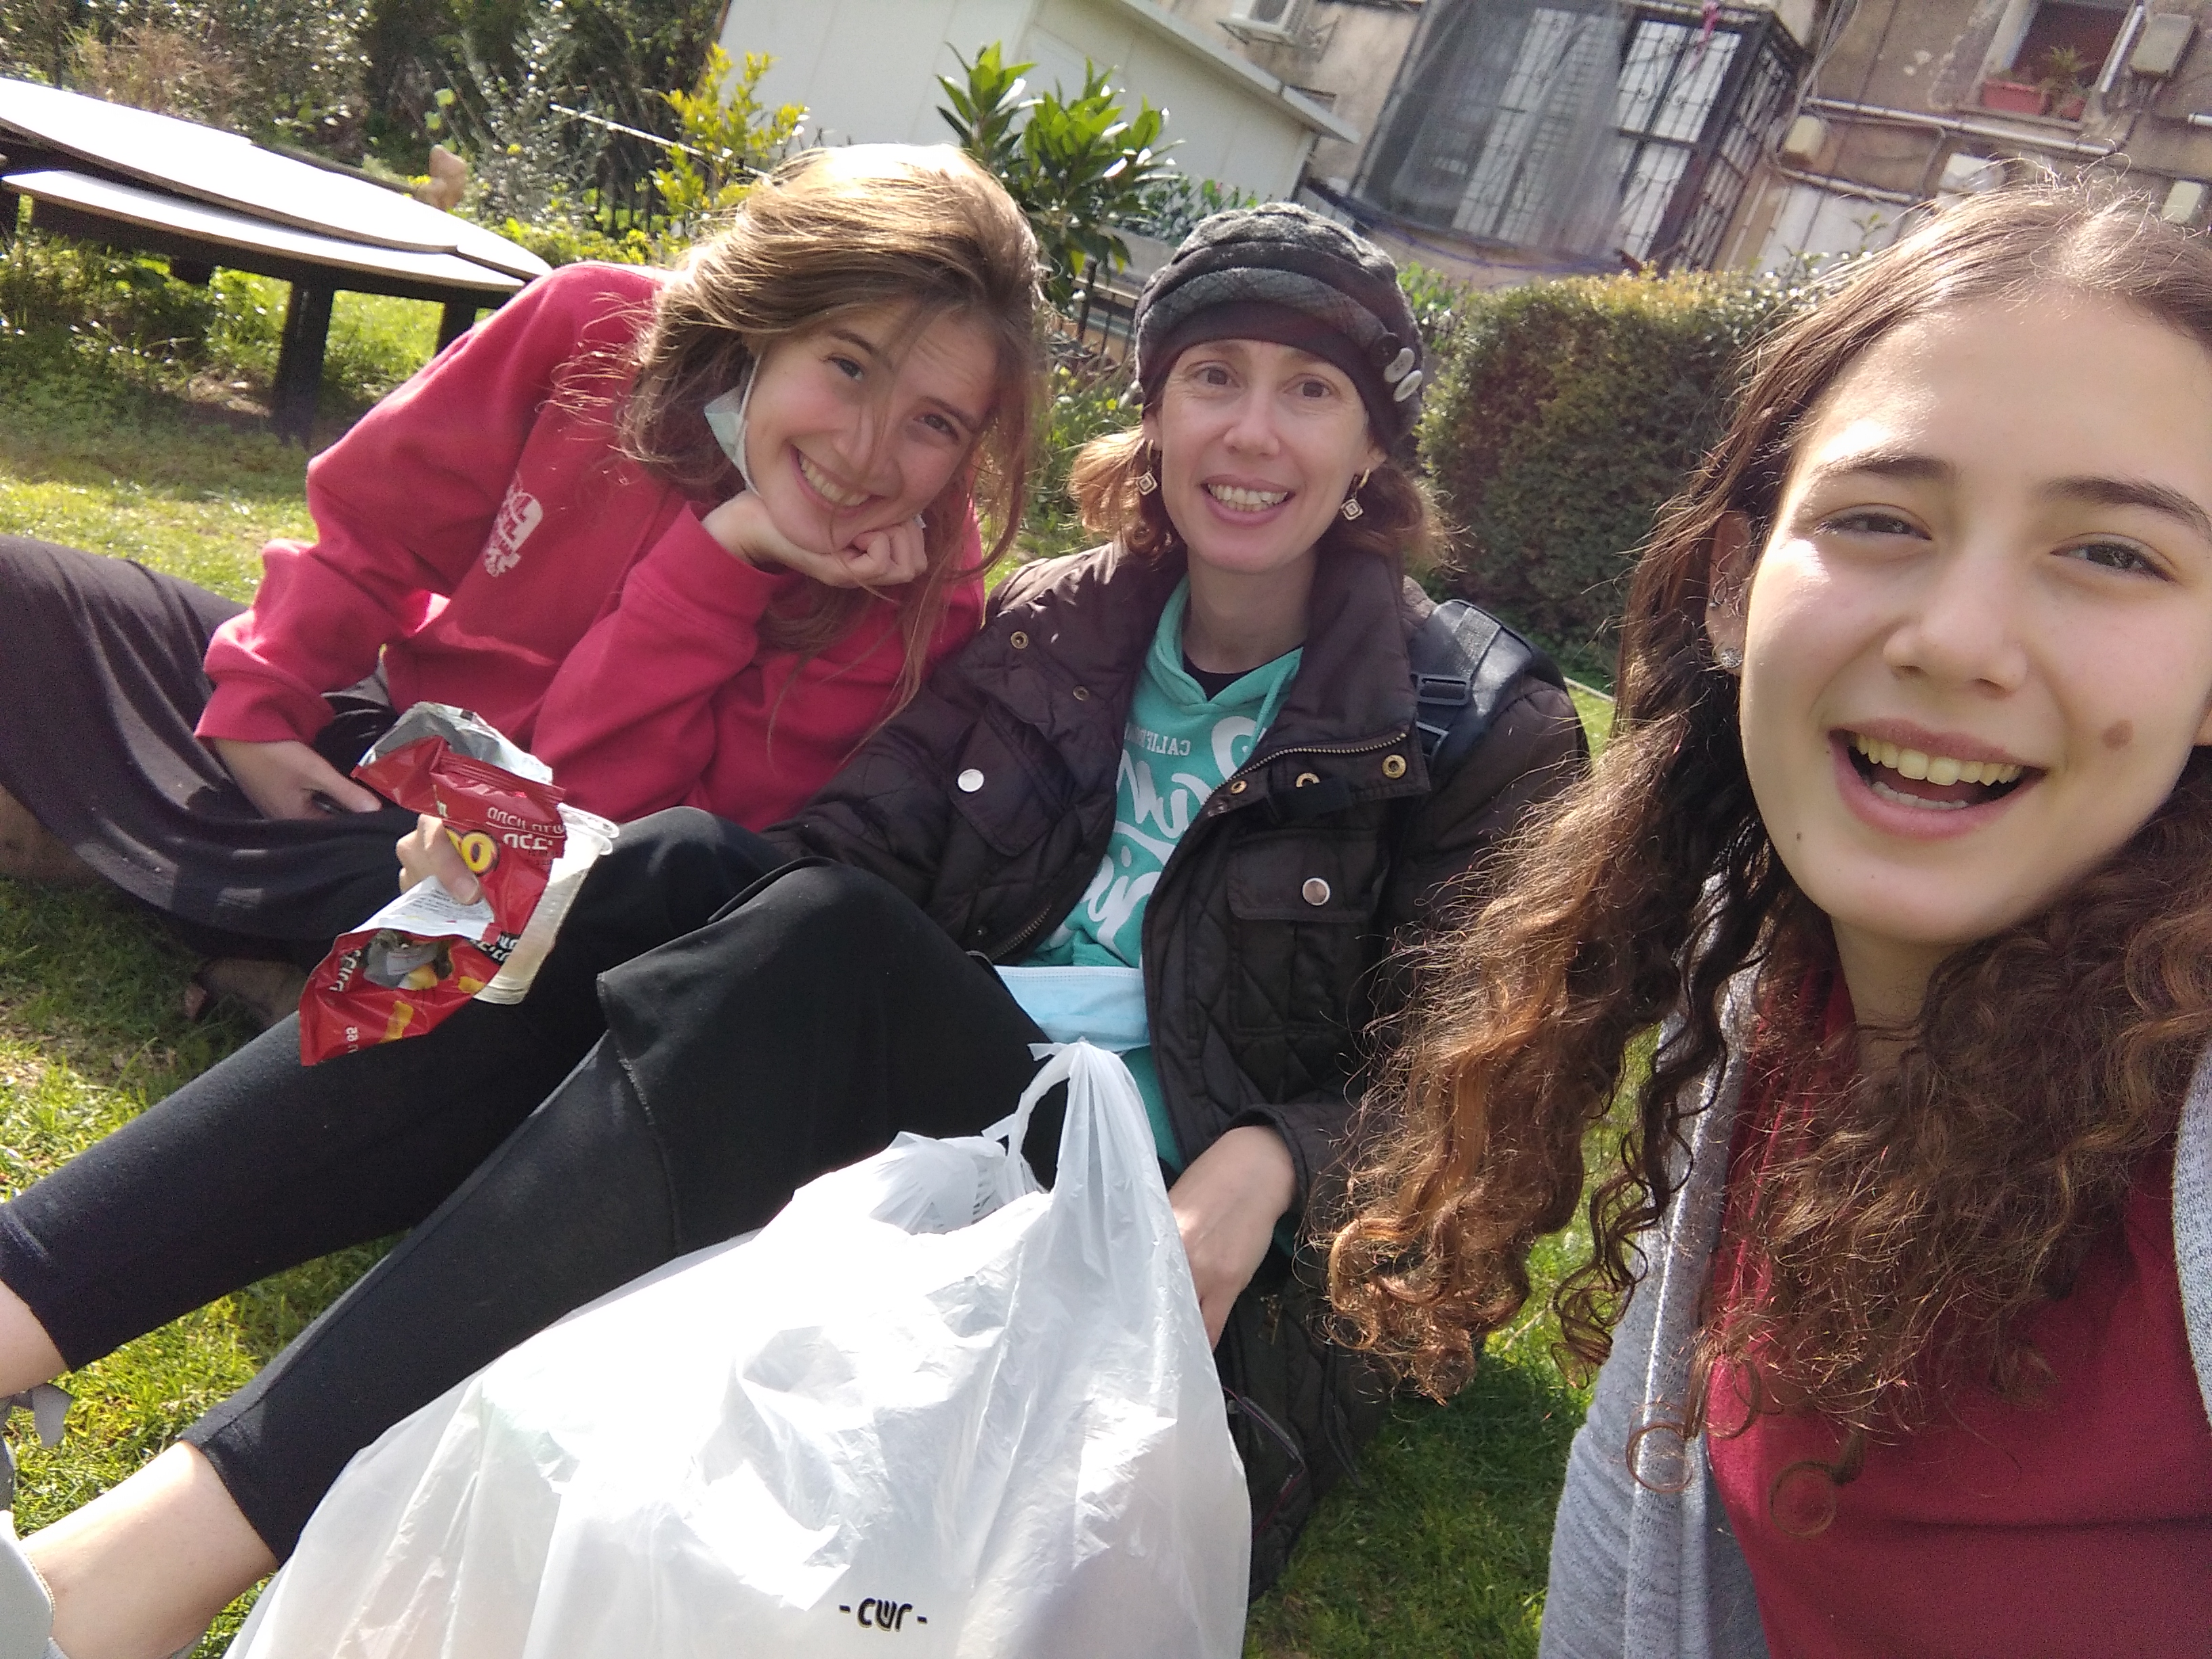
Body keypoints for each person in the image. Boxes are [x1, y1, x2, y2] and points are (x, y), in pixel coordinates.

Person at [0, 203, 1585, 1659]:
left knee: (816, 938)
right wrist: (552, 881)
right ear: (1155, 415)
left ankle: (123, 1583)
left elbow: (1497, 1091)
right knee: (654, 871)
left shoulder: (1474, 719)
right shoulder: (1066, 626)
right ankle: (20, 1308)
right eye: (1214, 378)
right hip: (940, 1116)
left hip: (1158, 1232)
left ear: (1372, 446)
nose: (1251, 430)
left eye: (1311, 391)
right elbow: (831, 854)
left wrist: (1276, 1161)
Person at [1328, 183, 2212, 1657]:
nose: (1956, 641)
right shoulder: (1766, 1004)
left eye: (2114, 553)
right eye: (1880, 520)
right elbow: (1633, 1550)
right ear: (1735, 587)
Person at [0, 143, 1039, 1016]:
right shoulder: (593, 323)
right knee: (27, 592)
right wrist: (261, 703)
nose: (866, 455)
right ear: (766, 319)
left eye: (934, 424)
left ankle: (184, 874)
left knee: (488, 918)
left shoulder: (920, 588)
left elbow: (632, 843)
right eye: (848, 367)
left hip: (550, 861)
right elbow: (375, 526)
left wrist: (723, 559)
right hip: (397, 736)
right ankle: (251, 909)